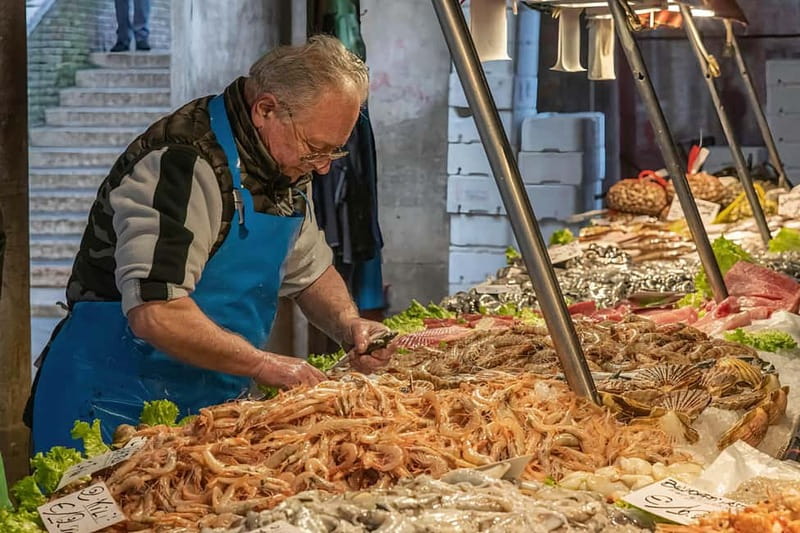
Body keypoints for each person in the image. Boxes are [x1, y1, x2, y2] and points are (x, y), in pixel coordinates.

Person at [27, 35, 395, 452]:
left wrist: (349, 324)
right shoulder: (183, 161)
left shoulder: (282, 166)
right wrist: (265, 365)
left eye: (334, 152)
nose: (324, 167)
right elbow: (156, 312)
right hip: (108, 404)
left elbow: (309, 271)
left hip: (205, 404)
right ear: (266, 110)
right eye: (315, 149)